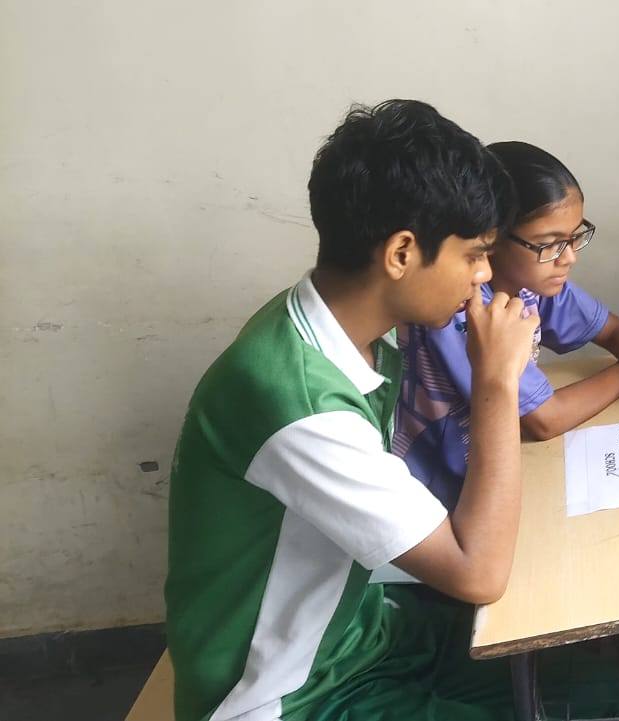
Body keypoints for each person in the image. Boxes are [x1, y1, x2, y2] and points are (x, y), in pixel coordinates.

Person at [164, 100, 569, 720]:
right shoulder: (298, 401)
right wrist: (497, 383)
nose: (484, 275)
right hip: (285, 692)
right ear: (402, 252)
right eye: (473, 255)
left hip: (360, 635)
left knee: (589, 681)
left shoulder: (351, 327)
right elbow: (479, 572)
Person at [393, 141, 619, 508]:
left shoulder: (532, 284)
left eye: (574, 237)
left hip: (499, 465)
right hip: (439, 488)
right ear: (492, 239)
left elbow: (615, 331)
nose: (568, 257)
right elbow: (545, 420)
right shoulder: (460, 311)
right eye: (550, 244)